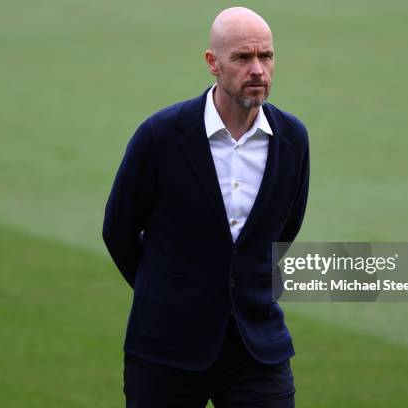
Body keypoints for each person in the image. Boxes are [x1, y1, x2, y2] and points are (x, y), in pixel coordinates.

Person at [103, 6, 309, 407]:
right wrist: (164, 288)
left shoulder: (292, 139)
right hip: (165, 349)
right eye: (242, 57)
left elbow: (285, 230)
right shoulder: (161, 135)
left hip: (256, 348)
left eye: (265, 57)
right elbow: (119, 230)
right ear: (212, 63)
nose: (257, 70)